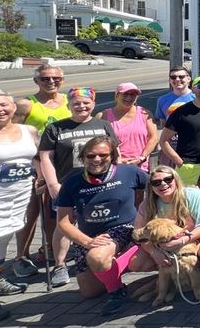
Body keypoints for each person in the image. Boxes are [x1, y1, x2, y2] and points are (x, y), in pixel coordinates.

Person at [55, 136, 148, 316]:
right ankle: (118, 264)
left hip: (124, 228)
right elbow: (63, 222)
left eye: (103, 155)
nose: (97, 160)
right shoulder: (72, 182)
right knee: (90, 292)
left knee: (97, 257)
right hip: (90, 235)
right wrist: (87, 242)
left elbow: (160, 185)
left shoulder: (129, 172)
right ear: (82, 158)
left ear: (112, 156)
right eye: (91, 156)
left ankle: (117, 291)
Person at [38, 87, 119, 287]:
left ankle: (98, 254)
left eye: (86, 103)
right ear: (69, 105)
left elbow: (115, 152)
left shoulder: (103, 124)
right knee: (64, 224)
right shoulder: (56, 128)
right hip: (67, 183)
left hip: (100, 182)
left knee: (100, 218)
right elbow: (45, 158)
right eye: (76, 103)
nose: (81, 106)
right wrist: (52, 183)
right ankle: (60, 265)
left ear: (93, 104)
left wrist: (117, 177)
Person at [11, 64, 70, 280]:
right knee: (31, 212)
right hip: (34, 165)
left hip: (61, 165)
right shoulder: (26, 104)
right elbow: (13, 132)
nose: (51, 82)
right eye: (45, 78)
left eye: (56, 78)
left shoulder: (67, 101)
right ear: (37, 80)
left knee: (53, 211)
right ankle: (21, 257)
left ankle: (49, 249)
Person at [0, 90, 38, 319]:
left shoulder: (28, 131)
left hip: (18, 198)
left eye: (3, 104)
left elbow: (34, 160)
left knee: (1, 241)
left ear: (13, 107)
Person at [130, 165, 200, 276]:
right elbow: (139, 233)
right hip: (167, 241)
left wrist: (182, 241)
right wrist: (154, 252)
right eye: (156, 183)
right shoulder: (147, 205)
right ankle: (173, 271)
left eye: (168, 179)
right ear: (150, 186)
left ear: (175, 180)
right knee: (137, 264)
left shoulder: (193, 195)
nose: (163, 184)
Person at [160, 76, 200, 203]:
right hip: (188, 164)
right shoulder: (181, 112)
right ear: (193, 89)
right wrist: (178, 161)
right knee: (187, 202)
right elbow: (164, 140)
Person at [100, 83, 158, 172]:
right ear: (116, 96)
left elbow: (153, 138)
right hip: (114, 167)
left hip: (140, 166)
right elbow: (98, 142)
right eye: (125, 94)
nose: (129, 97)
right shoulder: (103, 116)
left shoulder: (145, 114)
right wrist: (116, 159)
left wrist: (141, 157)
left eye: (133, 94)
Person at [154, 66, 195, 169]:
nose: (177, 80)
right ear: (169, 80)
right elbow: (163, 124)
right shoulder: (162, 100)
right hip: (169, 147)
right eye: (173, 77)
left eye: (181, 76)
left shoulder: (196, 98)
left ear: (188, 79)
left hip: (191, 148)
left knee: (191, 183)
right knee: (168, 178)